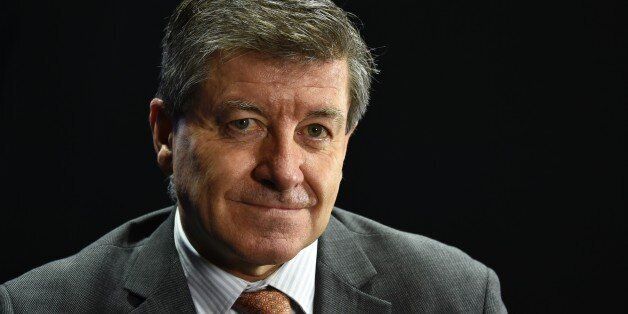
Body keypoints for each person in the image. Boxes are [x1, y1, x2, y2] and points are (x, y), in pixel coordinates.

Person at [0, 0, 507, 313]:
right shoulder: (40, 307)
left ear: (346, 142)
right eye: (244, 125)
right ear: (165, 136)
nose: (284, 171)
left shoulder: (455, 296)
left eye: (315, 131)